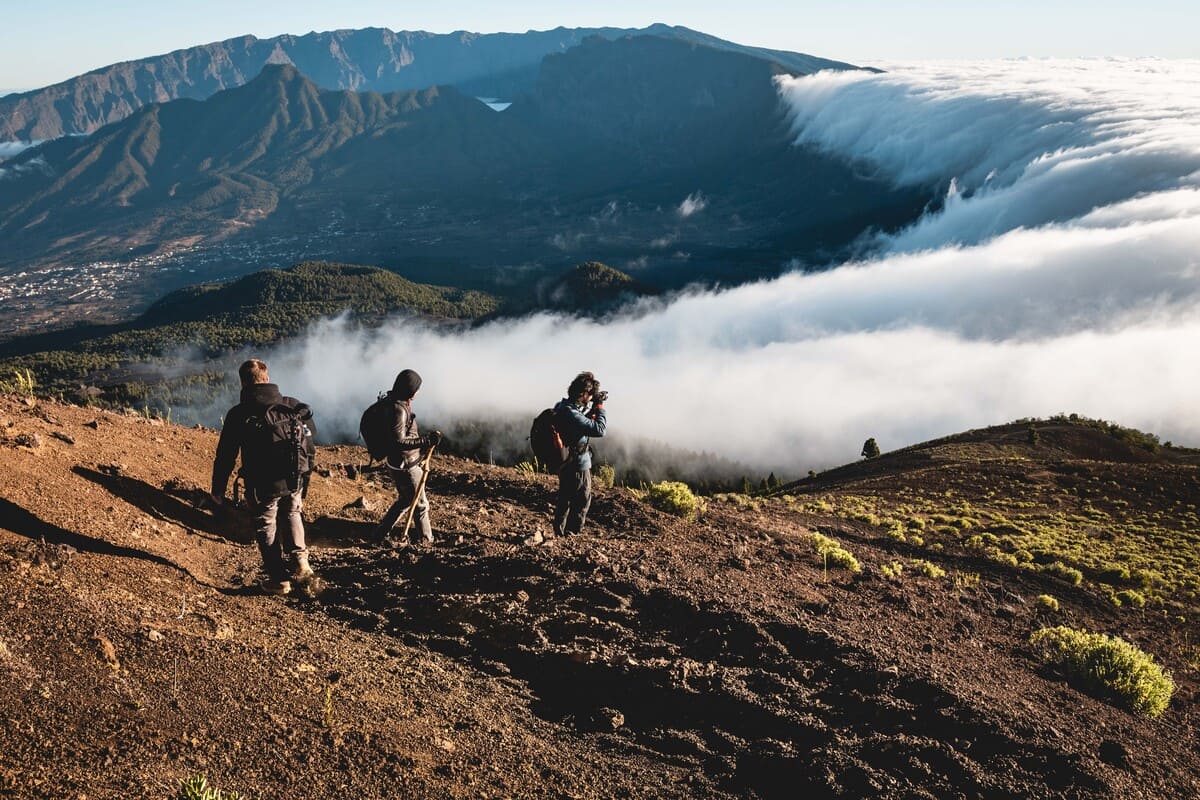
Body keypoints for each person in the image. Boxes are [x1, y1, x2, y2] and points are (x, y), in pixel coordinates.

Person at [211, 359, 317, 595]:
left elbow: (226, 456)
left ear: (243, 383)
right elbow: (310, 441)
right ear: (267, 378)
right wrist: (304, 481)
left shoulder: (239, 414)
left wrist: (217, 490)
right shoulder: (291, 405)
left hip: (262, 484)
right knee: (292, 512)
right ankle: (302, 564)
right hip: (294, 477)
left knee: (266, 526)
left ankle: (279, 580)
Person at [373, 369, 442, 547]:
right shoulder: (399, 409)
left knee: (404, 500)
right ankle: (426, 542)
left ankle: (378, 536)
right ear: (410, 390)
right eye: (417, 389)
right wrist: (426, 441)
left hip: (397, 463)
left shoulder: (392, 402)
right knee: (420, 505)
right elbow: (399, 441)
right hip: (406, 466)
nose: (418, 392)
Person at [551, 371, 607, 538]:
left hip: (565, 461)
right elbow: (599, 429)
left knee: (565, 498)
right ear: (583, 393)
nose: (591, 398)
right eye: (590, 395)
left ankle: (559, 534)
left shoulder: (562, 406)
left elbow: (580, 423)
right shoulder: (571, 412)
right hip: (577, 464)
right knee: (582, 499)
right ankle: (571, 535)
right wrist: (600, 408)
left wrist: (591, 411)